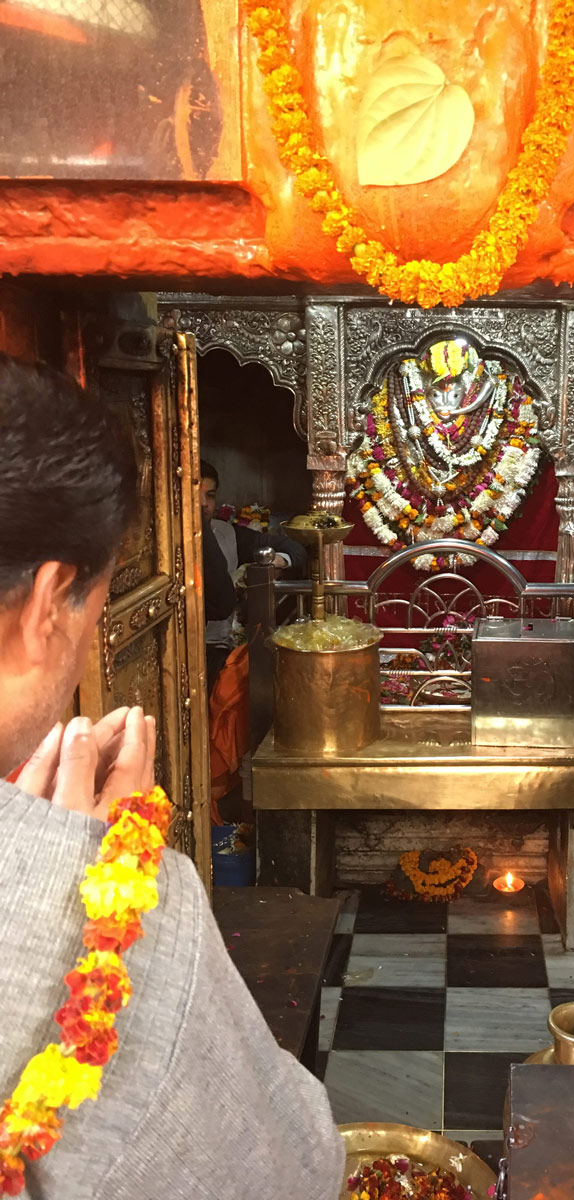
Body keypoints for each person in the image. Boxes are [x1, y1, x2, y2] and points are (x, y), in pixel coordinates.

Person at [0, 355, 344, 1199]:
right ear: (51, 602)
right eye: (100, 600)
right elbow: (290, 1166)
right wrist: (103, 876)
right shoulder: (108, 889)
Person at [200, 459, 306, 690]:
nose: (203, 505)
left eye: (209, 495)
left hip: (215, 651)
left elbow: (295, 549)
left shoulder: (226, 533)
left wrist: (275, 561)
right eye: (195, 496)